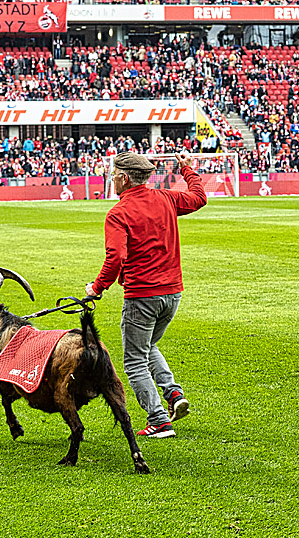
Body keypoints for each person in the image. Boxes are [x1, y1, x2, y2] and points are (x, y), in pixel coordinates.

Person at [85, 152, 207, 439]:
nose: (112, 179)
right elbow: (199, 197)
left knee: (134, 360)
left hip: (142, 295)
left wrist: (97, 287)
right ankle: (173, 393)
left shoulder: (118, 213)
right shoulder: (166, 198)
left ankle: (159, 421)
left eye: (114, 174)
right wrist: (186, 169)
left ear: (125, 178)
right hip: (173, 292)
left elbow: (115, 257)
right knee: (148, 346)